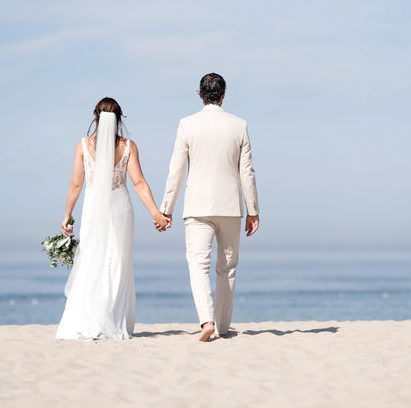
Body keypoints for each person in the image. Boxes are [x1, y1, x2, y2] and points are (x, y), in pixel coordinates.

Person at [56, 97, 171, 339]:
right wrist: (156, 214)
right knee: (118, 260)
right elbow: (139, 183)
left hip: (92, 208)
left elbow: (76, 184)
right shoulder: (129, 146)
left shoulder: (82, 145)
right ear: (119, 119)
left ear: (96, 117)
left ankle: (90, 317)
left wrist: (67, 214)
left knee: (92, 258)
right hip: (120, 207)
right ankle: (113, 319)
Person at [160, 73, 260, 342]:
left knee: (197, 265)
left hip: (197, 205)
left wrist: (166, 208)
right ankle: (223, 327)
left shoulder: (187, 124)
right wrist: (253, 210)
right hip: (230, 206)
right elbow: (247, 172)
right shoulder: (239, 125)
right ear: (224, 95)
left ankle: (206, 320)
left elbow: (176, 170)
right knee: (227, 268)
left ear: (200, 95)